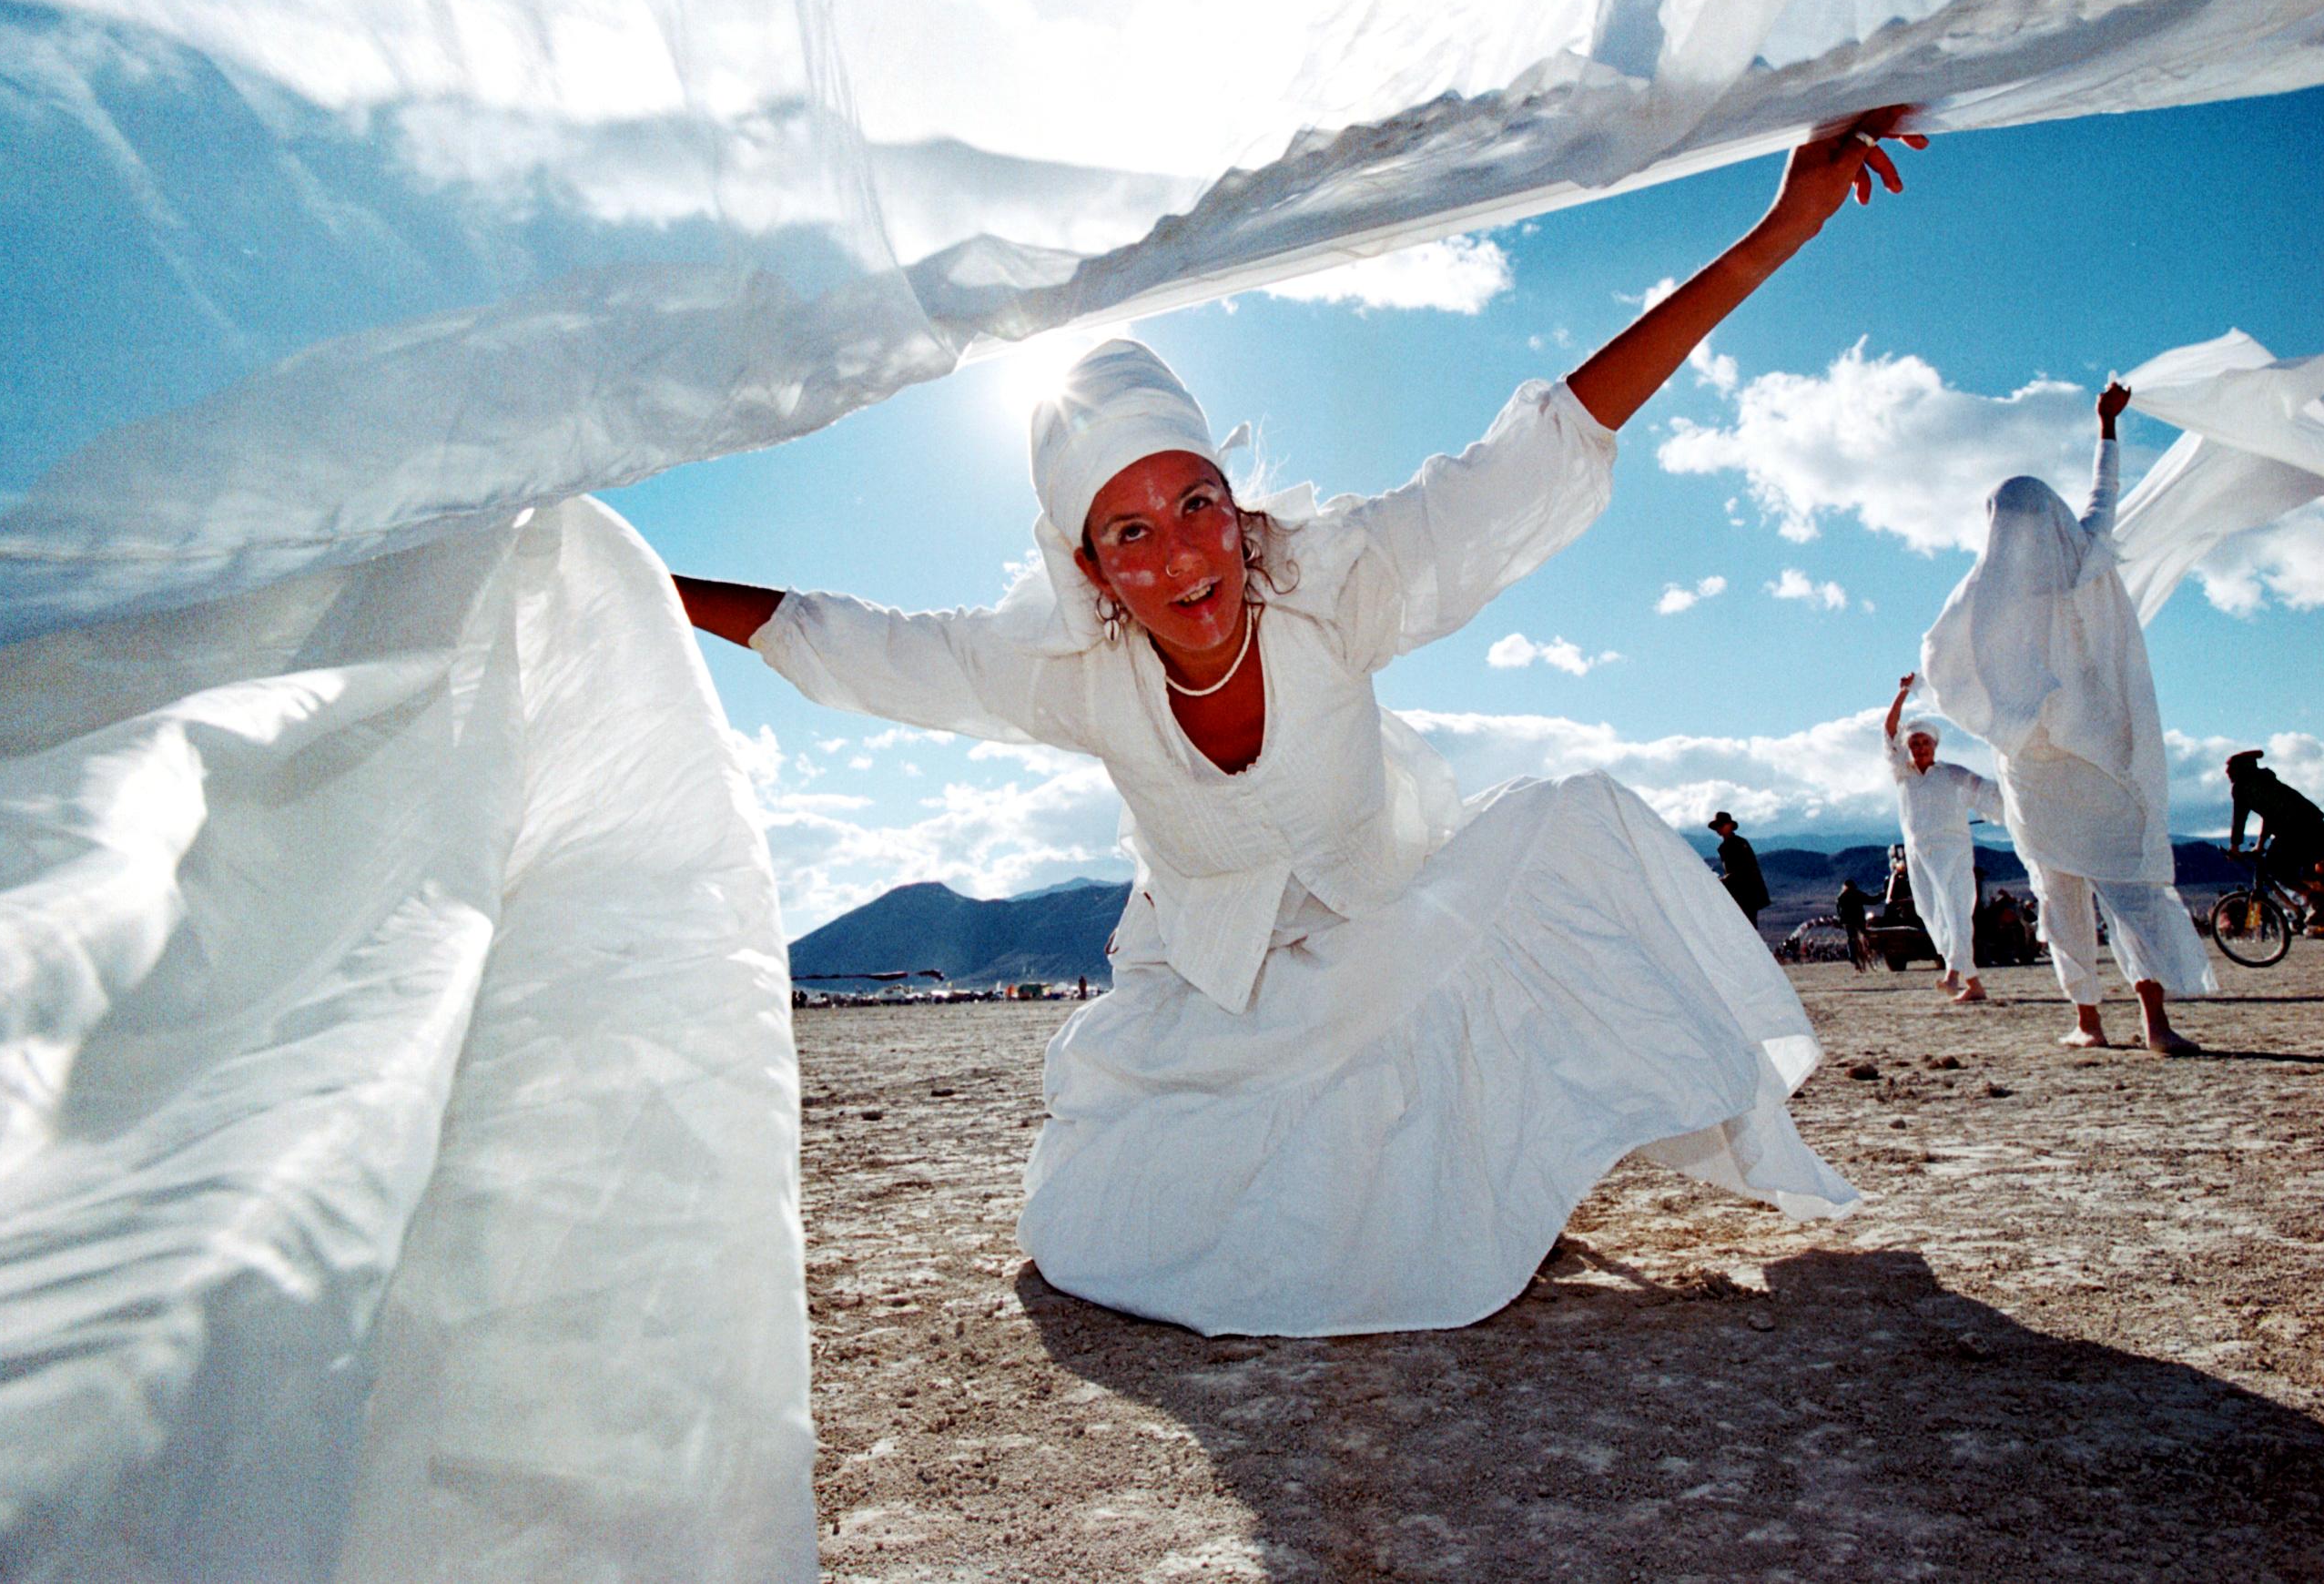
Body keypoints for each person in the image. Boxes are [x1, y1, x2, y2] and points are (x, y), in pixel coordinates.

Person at [672, 110, 1924, 1335]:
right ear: (1091, 568)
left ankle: (1505, 1152)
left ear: (1236, 504)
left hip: (1389, 938)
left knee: (1570, 823)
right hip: (1218, 995)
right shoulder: (1060, 672)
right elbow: (852, 644)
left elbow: (1545, 446)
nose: (1183, 556)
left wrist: (1780, 229)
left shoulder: (1335, 585)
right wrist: (649, 587)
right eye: (1131, 532)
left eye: (1197, 504)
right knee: (1095, 1231)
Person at [1919, 381, 2217, 1056]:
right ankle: (2156, 1023)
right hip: (2101, 755)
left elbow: (1939, 658)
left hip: (2032, 766)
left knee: (2058, 896)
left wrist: (2006, 717)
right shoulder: (2083, 557)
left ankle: (2089, 1022)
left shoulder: (1982, 593)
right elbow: (2103, 496)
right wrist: (2106, 426)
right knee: (2127, 889)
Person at [1883, 672, 2004, 1004]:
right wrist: (1903, 693)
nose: (1920, 747)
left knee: (1956, 909)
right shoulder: (1903, 775)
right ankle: (1968, 980)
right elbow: (1889, 730)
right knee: (1932, 912)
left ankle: (1957, 975)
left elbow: (1989, 793)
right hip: (1919, 853)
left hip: (1953, 850)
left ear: (1934, 745)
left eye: (1925, 742)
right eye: (1914, 743)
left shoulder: (1953, 774)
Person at [2225, 748, 2324, 925]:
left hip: (2296, 829)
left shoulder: (2243, 788)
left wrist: (2235, 847)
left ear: (2238, 771)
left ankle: (2315, 900)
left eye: (2230, 770)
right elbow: (2269, 816)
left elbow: (2239, 818)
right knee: (2309, 874)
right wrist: (2260, 844)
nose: (2228, 774)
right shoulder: (2267, 782)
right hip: (2316, 825)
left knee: (2275, 868)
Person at [1708, 812, 1770, 930]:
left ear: (1730, 826)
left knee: (1748, 927)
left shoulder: (1739, 844)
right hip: (1739, 893)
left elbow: (1745, 870)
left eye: (1721, 825)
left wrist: (1723, 880)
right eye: (1717, 826)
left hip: (1747, 893)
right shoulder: (1729, 845)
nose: (1718, 829)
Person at [1834, 878, 1872, 970]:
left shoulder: (1841, 897)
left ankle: (1853, 958)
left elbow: (1839, 910)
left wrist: (1841, 920)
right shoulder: (1858, 894)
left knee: (1851, 938)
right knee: (1864, 935)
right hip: (1859, 920)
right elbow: (1871, 900)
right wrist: (1882, 895)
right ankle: (1868, 951)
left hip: (1848, 922)